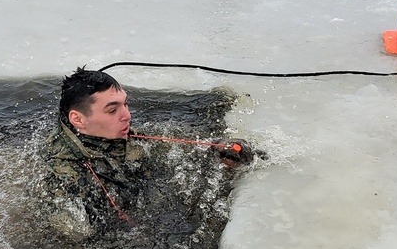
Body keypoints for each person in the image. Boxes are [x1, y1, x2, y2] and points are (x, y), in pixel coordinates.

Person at [33, 67, 251, 238]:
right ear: (78, 119)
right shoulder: (61, 177)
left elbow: (179, 143)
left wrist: (220, 147)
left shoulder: (118, 135)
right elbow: (74, 241)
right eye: (112, 110)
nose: (127, 115)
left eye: (125, 104)